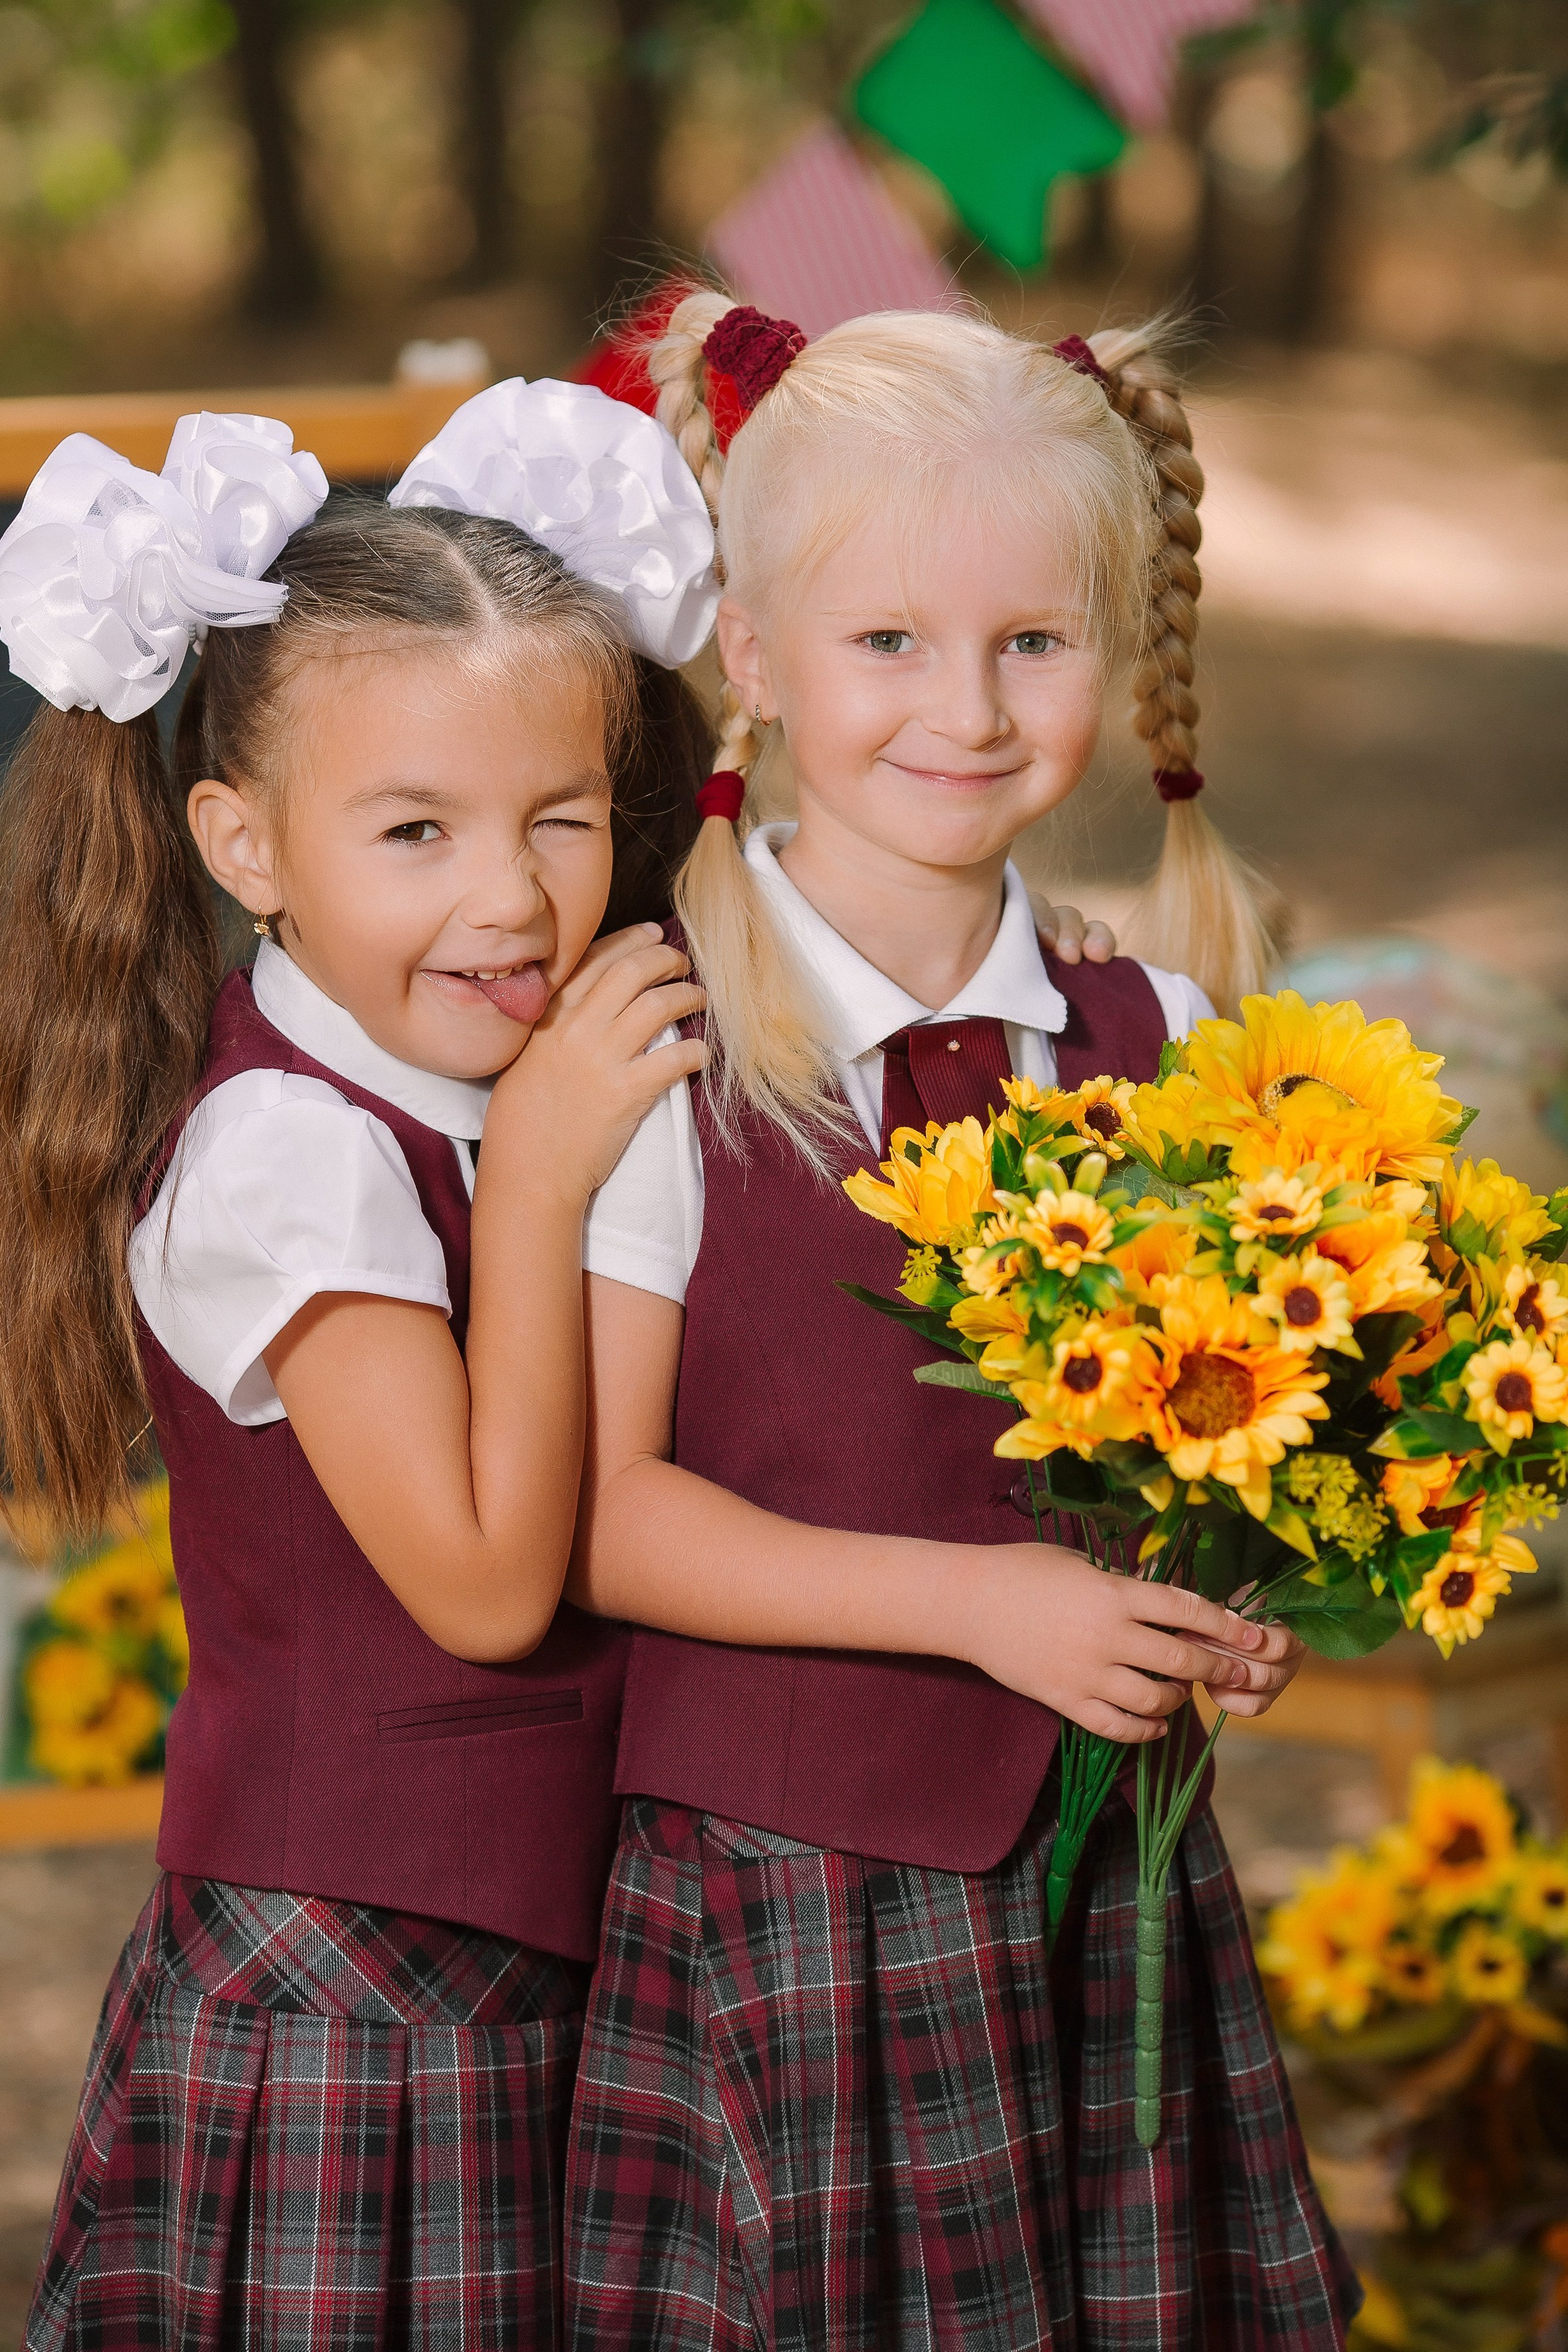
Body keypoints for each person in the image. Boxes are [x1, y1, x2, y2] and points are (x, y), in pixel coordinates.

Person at [564, 299, 1360, 2349]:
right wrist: (981, 1604)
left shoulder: (1153, 1032)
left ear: (1121, 647)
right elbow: (604, 1518)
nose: (970, 709)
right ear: (753, 655)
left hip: (1108, 1896)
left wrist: (1212, 1600)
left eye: (1031, 642)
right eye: (889, 642)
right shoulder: (657, 1043)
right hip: (794, 1898)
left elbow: (1178, 1432)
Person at [0, 391, 718, 2350]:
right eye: (416, 833)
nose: (511, 897)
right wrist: (546, 1174)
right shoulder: (289, 1150)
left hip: (537, 1963)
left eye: (560, 819)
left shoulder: (494, 1074)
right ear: (246, 846)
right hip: (358, 1992)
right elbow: (483, 1586)